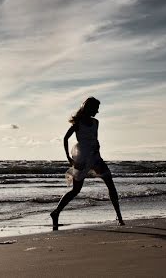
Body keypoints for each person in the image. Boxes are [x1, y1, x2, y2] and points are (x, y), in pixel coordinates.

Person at [50, 96, 124, 230]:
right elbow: (66, 138)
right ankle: (55, 213)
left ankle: (119, 217)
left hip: (95, 157)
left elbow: (95, 138)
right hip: (82, 158)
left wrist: (98, 149)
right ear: (89, 108)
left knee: (110, 185)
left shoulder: (96, 122)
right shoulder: (77, 123)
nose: (97, 112)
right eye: (96, 108)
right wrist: (68, 157)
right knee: (76, 190)